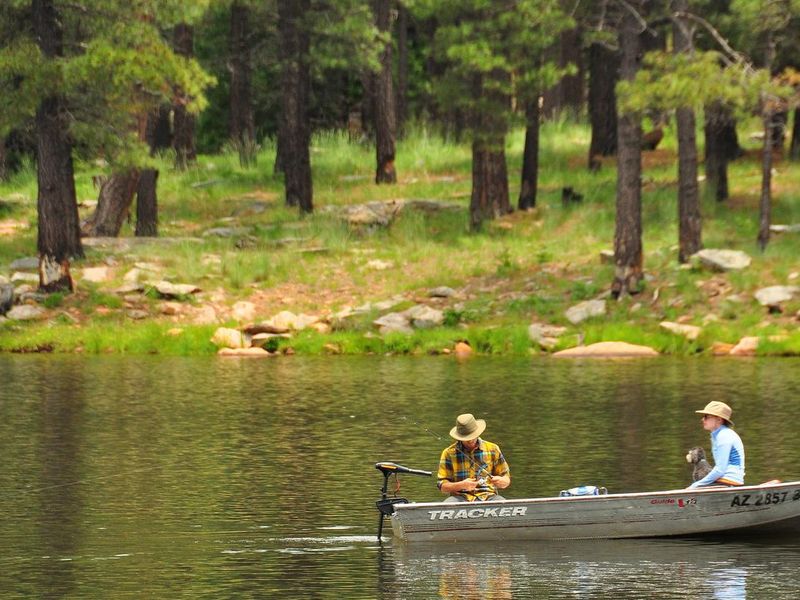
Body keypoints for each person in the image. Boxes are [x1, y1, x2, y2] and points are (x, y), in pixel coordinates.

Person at [437, 413, 510, 502]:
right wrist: (461, 485)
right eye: (466, 438)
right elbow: (442, 486)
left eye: (473, 436)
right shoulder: (448, 453)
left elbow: (506, 479)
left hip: (489, 496)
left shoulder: (493, 449)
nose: (471, 440)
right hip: (459, 498)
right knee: (447, 505)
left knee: (503, 503)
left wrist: (502, 482)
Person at [688, 401, 745, 489]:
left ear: (719, 419)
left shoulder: (724, 436)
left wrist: (696, 485)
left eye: (706, 417)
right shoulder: (718, 435)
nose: (703, 419)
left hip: (729, 481)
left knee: (695, 486)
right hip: (725, 480)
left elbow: (720, 470)